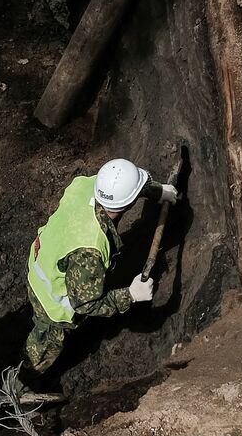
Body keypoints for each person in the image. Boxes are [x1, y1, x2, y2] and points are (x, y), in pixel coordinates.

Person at [21, 158, 179, 381]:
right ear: (129, 202)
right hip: (51, 303)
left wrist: (157, 191)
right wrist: (130, 295)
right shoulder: (90, 249)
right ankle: (21, 385)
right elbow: (85, 304)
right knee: (43, 347)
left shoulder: (87, 185)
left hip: (41, 259)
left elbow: (118, 190)